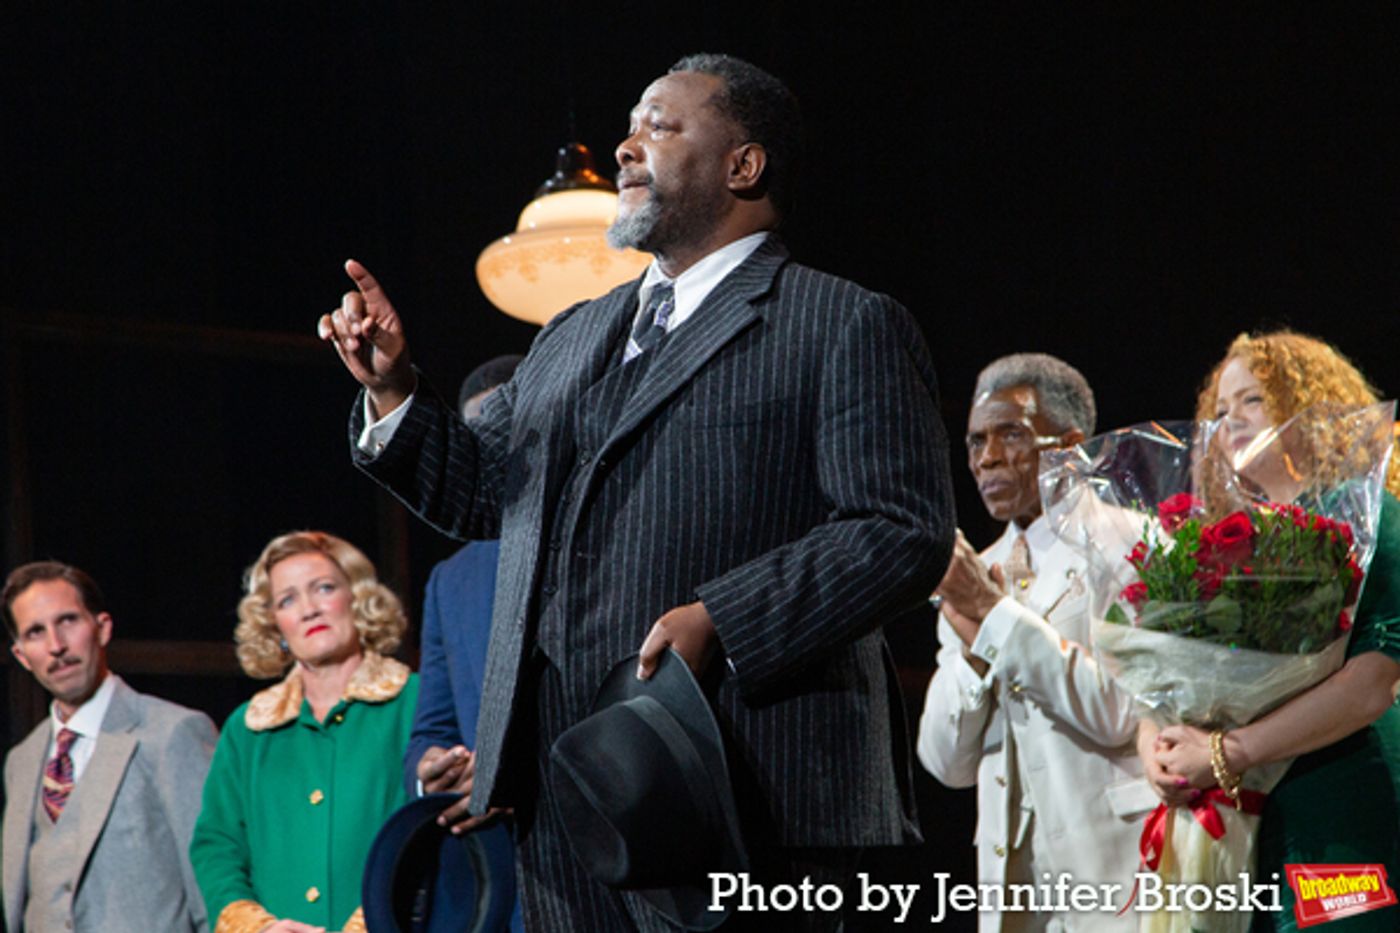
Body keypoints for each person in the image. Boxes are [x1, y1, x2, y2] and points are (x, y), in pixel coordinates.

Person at [319, 53, 954, 931]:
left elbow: (901, 530)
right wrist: (394, 393)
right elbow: (480, 494)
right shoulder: (573, 334)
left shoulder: (840, 321)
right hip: (561, 796)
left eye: (659, 124)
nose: (625, 146)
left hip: (741, 792)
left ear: (744, 164)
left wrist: (724, 620)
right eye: (629, 123)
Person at [1143, 330, 1400, 932]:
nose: (1232, 419)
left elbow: (1371, 685)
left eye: (1253, 399)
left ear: (1311, 408)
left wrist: (1225, 754)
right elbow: (1164, 674)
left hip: (1340, 803)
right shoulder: (1217, 546)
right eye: (1222, 408)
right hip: (1242, 821)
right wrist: (1155, 747)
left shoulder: (1371, 516)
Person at [916, 354, 1152, 932]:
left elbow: (1120, 711)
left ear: (1070, 445)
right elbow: (946, 764)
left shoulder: (1132, 543)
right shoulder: (976, 570)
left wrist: (992, 616)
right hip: (1014, 900)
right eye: (975, 442)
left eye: (1011, 434)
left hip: (1114, 880)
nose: (987, 458)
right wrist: (973, 648)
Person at [190, 531, 419, 933]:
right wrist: (259, 928)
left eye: (324, 588)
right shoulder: (248, 729)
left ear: (357, 599)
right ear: (274, 624)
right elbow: (218, 847)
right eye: (288, 600)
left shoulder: (414, 702)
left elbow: (429, 831)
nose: (310, 609)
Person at [1, 561, 217, 933]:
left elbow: (212, 891)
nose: (56, 646)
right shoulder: (22, 760)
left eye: (68, 621)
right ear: (21, 656)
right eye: (36, 632)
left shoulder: (173, 733)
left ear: (101, 629)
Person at [406, 355, 524, 932]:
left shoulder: (607, 543)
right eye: (480, 438)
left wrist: (515, 771)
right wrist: (431, 771)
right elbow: (432, 728)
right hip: (488, 883)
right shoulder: (450, 579)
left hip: (591, 865)